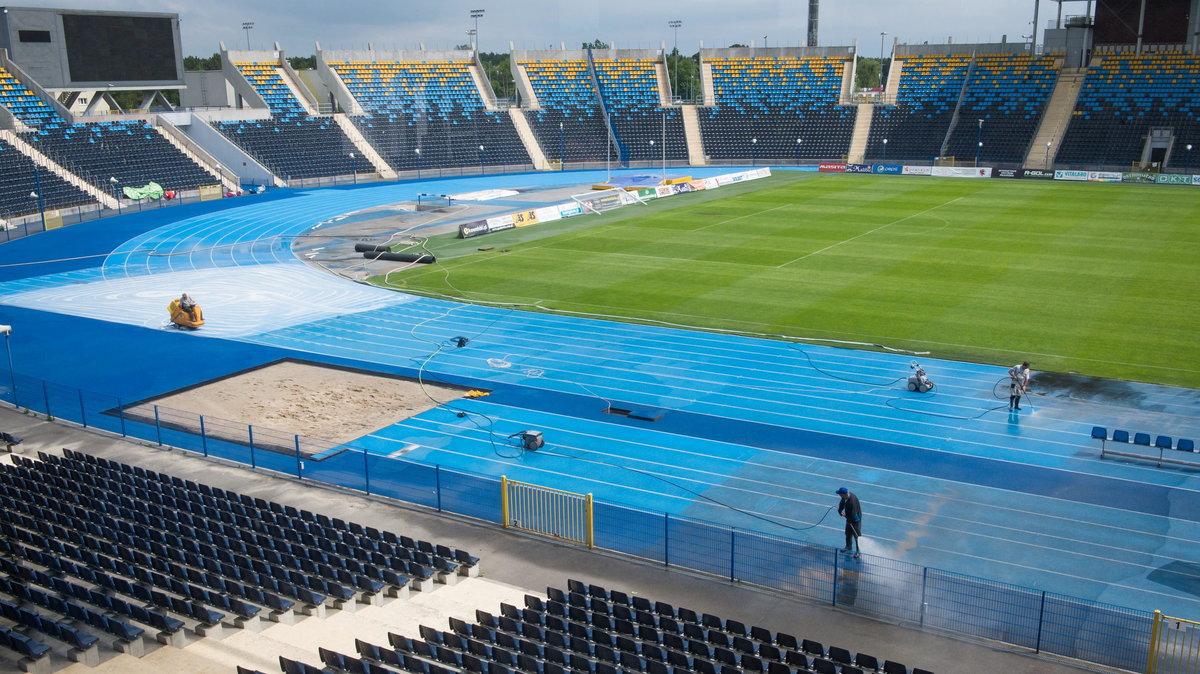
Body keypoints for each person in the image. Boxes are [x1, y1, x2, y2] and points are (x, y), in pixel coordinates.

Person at [836, 487, 861, 556]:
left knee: (857, 536)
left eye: (840, 494)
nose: (839, 495)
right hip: (849, 518)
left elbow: (853, 513)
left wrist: (849, 520)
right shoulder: (844, 497)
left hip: (856, 520)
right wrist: (840, 511)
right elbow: (842, 503)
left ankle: (858, 551)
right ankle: (848, 546)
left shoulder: (852, 500)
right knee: (848, 533)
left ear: (843, 494)